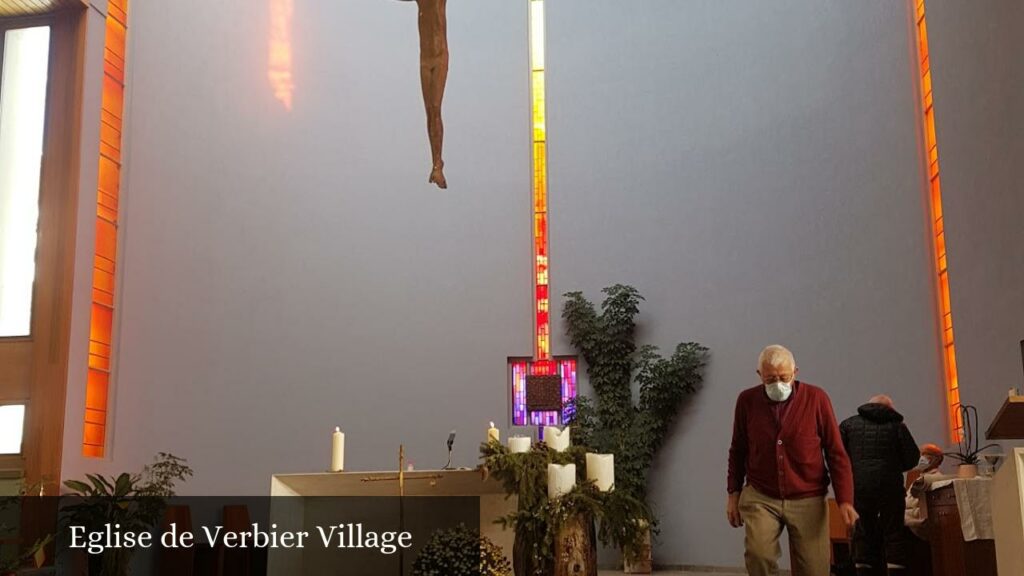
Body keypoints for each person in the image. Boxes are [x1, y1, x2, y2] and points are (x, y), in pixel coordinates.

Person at [727, 345, 858, 576]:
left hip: (808, 496)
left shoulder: (817, 398)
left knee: (814, 570)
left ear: (795, 372)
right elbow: (738, 450)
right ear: (759, 376)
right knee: (759, 556)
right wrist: (733, 494)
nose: (778, 383)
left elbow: (835, 453)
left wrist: (845, 500)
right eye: (770, 378)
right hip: (761, 495)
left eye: (784, 377)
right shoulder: (746, 401)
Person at [840, 395, 920, 576]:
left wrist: (856, 468)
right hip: (890, 485)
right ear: (890, 409)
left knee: (863, 529)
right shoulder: (898, 426)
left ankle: (863, 571)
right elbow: (912, 457)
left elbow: (838, 455)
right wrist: (894, 467)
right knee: (893, 530)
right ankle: (895, 571)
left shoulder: (848, 425)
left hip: (859, 485)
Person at [400, 0, 449, 189]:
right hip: (425, 61)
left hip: (439, 57)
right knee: (429, 112)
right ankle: (435, 163)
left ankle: (438, 164)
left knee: (436, 109)